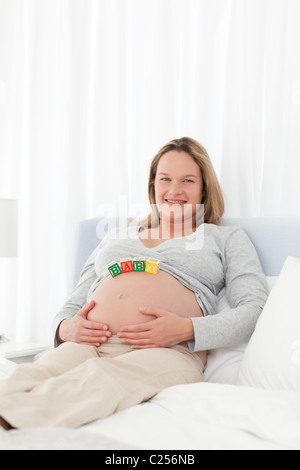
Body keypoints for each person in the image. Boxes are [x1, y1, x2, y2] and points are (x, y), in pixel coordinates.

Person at [0, 137, 268, 430]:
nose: (174, 190)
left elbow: (254, 310)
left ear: (204, 187)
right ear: (153, 184)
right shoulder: (117, 236)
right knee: (35, 372)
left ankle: (15, 424)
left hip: (166, 351)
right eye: (165, 178)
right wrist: (64, 327)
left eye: (188, 181)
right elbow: (74, 302)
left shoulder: (226, 238)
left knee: (100, 380)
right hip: (92, 343)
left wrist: (187, 329)